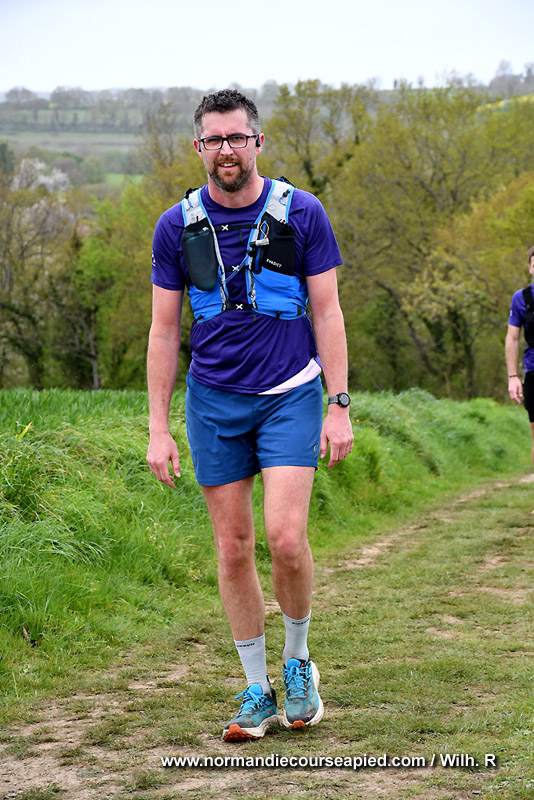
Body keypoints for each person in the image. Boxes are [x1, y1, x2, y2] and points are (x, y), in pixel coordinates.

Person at [146, 89, 353, 742]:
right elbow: (163, 331)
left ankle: (298, 663)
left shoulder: (303, 212)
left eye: (237, 137)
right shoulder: (175, 226)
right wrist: (158, 427)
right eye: (214, 139)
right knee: (233, 549)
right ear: (199, 148)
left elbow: (328, 312)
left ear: (257, 142)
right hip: (213, 402)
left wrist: (340, 405)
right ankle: (256, 689)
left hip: (291, 393)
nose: (226, 150)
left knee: (286, 539)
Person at [506, 245, 534, 464]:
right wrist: (513, 376)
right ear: (530, 268)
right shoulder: (521, 298)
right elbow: (513, 338)